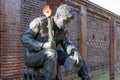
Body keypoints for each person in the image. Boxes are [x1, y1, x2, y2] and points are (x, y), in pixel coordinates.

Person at [22, 4, 92, 80]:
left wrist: (74, 52)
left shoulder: (61, 31)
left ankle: (86, 78)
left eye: (67, 23)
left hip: (52, 56)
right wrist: (43, 45)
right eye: (64, 21)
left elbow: (67, 44)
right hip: (32, 56)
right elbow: (25, 39)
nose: (65, 25)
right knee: (52, 54)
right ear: (58, 16)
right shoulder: (39, 22)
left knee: (76, 57)